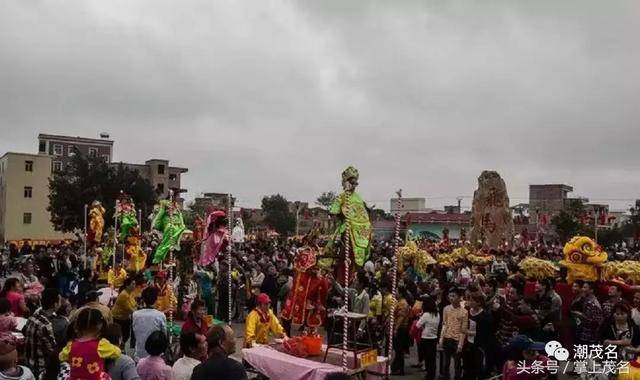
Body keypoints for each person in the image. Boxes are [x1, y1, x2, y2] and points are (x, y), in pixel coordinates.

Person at [59, 308, 121, 380]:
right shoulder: (101, 345)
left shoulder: (71, 345)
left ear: (78, 324)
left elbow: (61, 357)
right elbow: (117, 353)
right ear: (99, 325)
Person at [24, 288, 60, 378]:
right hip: (40, 368)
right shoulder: (46, 325)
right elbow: (52, 351)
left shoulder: (34, 316)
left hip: (28, 362)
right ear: (55, 304)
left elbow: (24, 330)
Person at [439, 288, 468, 380]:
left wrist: (460, 344)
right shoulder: (446, 309)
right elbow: (444, 324)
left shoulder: (464, 312)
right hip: (447, 337)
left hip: (457, 340)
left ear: (460, 297)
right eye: (450, 296)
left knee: (457, 364)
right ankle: (445, 377)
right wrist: (441, 338)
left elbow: (463, 330)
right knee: (445, 364)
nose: (451, 298)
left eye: (454, 296)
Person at [132, 287, 167, 360]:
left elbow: (134, 333)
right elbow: (164, 335)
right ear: (156, 299)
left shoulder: (135, 314)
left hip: (139, 355)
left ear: (143, 299)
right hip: (156, 356)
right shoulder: (160, 315)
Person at [462, 293, 491, 380]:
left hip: (478, 345)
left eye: (472, 301)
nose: (470, 302)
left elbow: (484, 332)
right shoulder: (467, 311)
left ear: (479, 302)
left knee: (478, 366)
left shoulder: (485, 315)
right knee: (467, 366)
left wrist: (469, 332)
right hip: (467, 344)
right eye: (469, 300)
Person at [416, 297, 440, 380]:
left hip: (425, 338)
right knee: (432, 358)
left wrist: (420, 318)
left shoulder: (426, 315)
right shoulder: (437, 314)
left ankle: (428, 375)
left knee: (427, 357)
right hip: (434, 338)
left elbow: (417, 325)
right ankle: (432, 374)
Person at [112, 278, 137, 345]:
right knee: (121, 336)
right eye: (133, 284)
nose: (134, 285)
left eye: (135, 284)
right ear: (127, 285)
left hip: (125, 317)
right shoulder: (124, 294)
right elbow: (129, 308)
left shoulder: (131, 293)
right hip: (118, 318)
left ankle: (121, 347)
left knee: (126, 335)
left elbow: (134, 304)